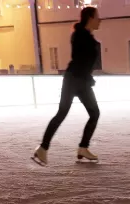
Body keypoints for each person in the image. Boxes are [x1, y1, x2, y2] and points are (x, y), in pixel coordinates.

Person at [33, 7, 101, 166]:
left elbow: (84, 62)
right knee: (62, 113)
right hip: (74, 79)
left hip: (81, 80)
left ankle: (83, 148)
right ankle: (43, 148)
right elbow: (79, 60)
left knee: (94, 113)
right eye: (97, 17)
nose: (100, 20)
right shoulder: (80, 36)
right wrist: (87, 77)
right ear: (90, 18)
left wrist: (87, 77)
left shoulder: (86, 36)